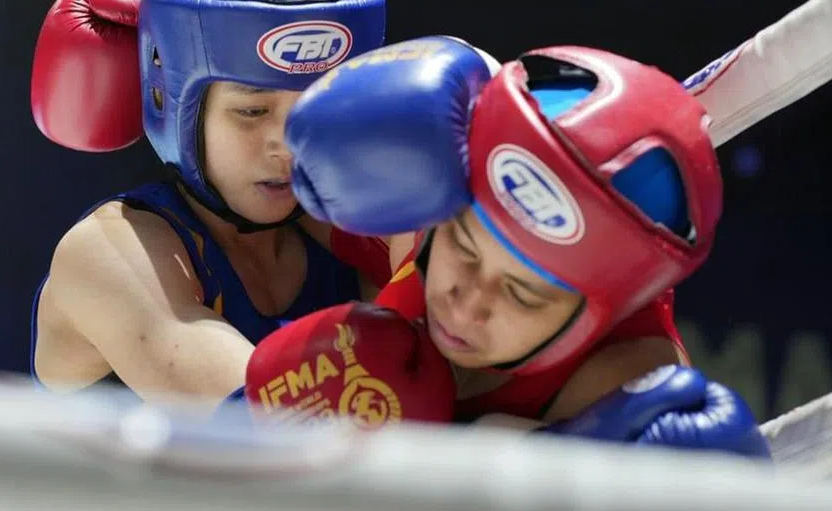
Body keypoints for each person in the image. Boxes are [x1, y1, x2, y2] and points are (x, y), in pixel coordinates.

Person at [230, 36, 769, 456]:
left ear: (598, 317)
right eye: (464, 247)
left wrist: (511, 454)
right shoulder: (421, 206)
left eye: (523, 293)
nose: (466, 300)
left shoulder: (623, 386)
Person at [29, 0, 394, 402]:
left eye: (316, 106)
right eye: (252, 110)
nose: (287, 143)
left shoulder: (341, 237)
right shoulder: (106, 254)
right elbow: (264, 425)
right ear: (172, 102)